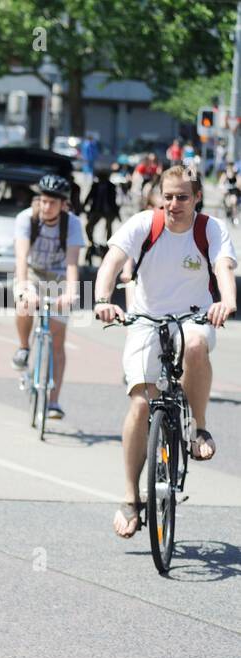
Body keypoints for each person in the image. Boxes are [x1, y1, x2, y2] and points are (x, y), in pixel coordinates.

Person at [94, 164, 236, 538]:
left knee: (195, 343)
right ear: (159, 196)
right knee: (141, 404)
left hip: (194, 315)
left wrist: (227, 301)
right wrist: (102, 299)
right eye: (168, 196)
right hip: (145, 318)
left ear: (197, 198)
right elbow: (111, 262)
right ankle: (130, 496)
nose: (174, 204)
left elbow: (223, 267)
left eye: (183, 197)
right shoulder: (144, 224)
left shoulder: (210, 229)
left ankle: (199, 429)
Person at [10, 174, 85, 419]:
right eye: (42, 201)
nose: (46, 207)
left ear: (63, 204)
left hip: (59, 277)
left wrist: (71, 291)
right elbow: (21, 258)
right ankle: (23, 347)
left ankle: (53, 402)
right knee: (25, 304)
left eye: (52, 203)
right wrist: (23, 288)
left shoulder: (72, 224)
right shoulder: (26, 219)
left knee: (57, 339)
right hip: (32, 272)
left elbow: (73, 262)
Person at [81, 164, 122, 254]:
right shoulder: (95, 186)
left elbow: (114, 201)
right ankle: (91, 242)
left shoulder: (111, 186)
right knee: (88, 226)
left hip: (108, 211)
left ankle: (107, 246)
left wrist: (116, 213)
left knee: (108, 228)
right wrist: (83, 206)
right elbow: (89, 196)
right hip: (97, 210)